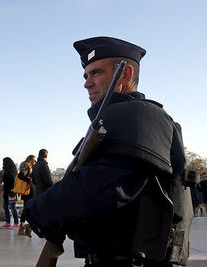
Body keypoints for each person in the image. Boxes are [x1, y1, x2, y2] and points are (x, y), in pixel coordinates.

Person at [25, 36, 192, 266]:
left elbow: (102, 187)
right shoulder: (120, 121)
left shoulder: (139, 115)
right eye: (86, 75)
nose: (87, 82)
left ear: (125, 75)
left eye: (96, 73)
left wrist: (37, 210)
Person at [17, 155, 36, 238]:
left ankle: (22, 227)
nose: (35, 162)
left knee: (26, 209)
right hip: (28, 191)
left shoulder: (26, 165)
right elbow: (20, 175)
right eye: (34, 160)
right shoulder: (27, 166)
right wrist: (29, 180)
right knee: (29, 209)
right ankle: (26, 227)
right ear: (31, 160)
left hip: (26, 191)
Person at [0, 157, 19, 228]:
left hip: (10, 192)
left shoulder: (8, 173)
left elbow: (4, 182)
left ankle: (15, 223)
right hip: (10, 192)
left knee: (10, 207)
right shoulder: (13, 172)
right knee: (9, 207)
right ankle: (11, 222)